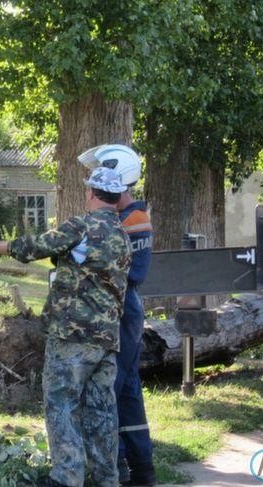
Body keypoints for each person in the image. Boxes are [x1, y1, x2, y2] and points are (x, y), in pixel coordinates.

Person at [0, 167, 131, 487]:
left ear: (92, 194)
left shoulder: (82, 226)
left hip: (73, 335)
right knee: (102, 411)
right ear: (117, 197)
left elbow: (37, 246)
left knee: (62, 402)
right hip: (106, 338)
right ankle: (107, 478)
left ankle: (67, 478)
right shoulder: (121, 235)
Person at [78, 144, 156, 486]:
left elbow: (129, 274)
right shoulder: (126, 219)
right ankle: (140, 471)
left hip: (122, 313)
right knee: (126, 392)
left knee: (110, 390)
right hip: (122, 311)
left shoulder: (133, 220)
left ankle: (122, 468)